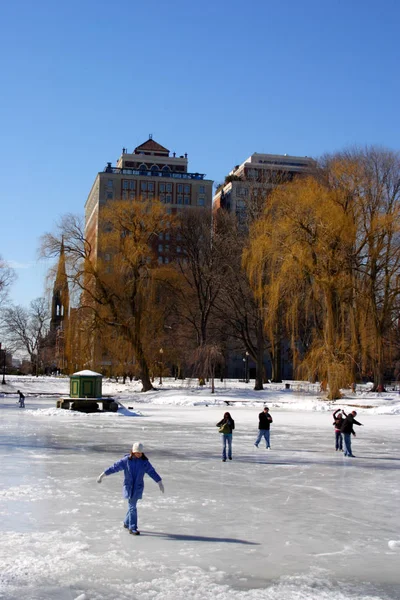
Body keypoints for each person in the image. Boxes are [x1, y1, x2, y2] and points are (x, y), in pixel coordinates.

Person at [97, 442, 164, 535]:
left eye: (140, 453)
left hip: (137, 487)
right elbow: (114, 467)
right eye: (137, 452)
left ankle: (127, 522)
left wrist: (159, 481)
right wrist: (103, 474)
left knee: (132, 506)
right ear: (133, 451)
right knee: (132, 507)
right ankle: (132, 527)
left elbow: (151, 471)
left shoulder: (144, 462)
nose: (138, 454)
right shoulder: (126, 461)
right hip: (128, 487)